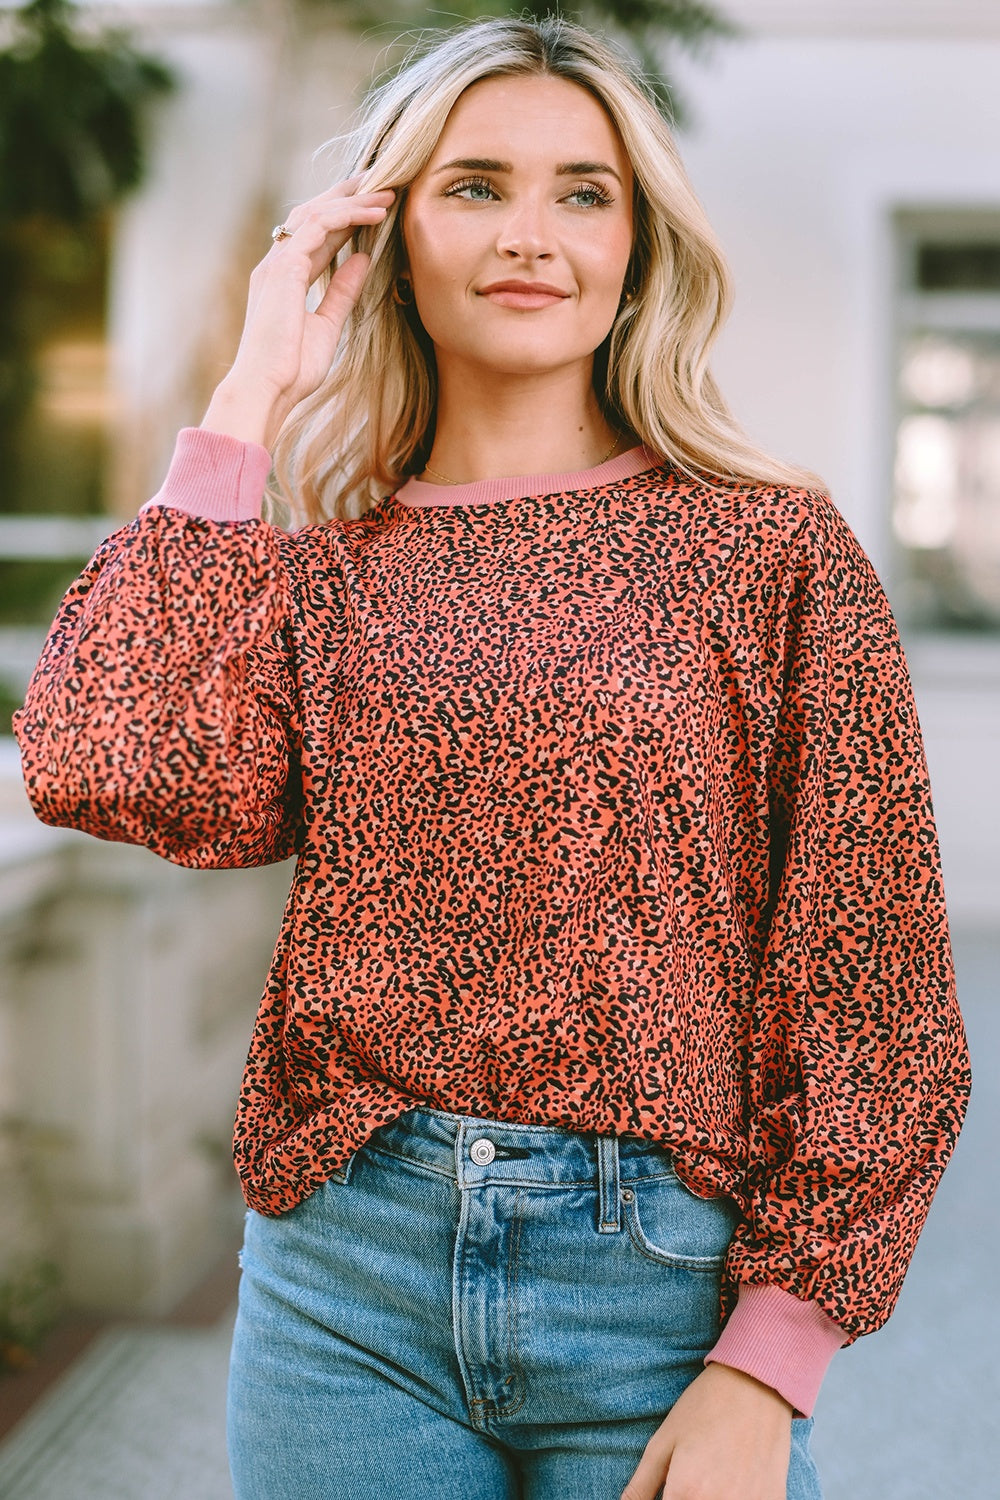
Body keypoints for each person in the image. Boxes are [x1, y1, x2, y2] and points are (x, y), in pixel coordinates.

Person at [14, 15, 970, 1500]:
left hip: (660, 1287)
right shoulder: (321, 571)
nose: (533, 234)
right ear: (390, 236)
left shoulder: (765, 546)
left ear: (642, 243)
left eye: (584, 192)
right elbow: (95, 754)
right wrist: (251, 385)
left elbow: (874, 978)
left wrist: (769, 1362)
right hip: (344, 1276)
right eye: (475, 186)